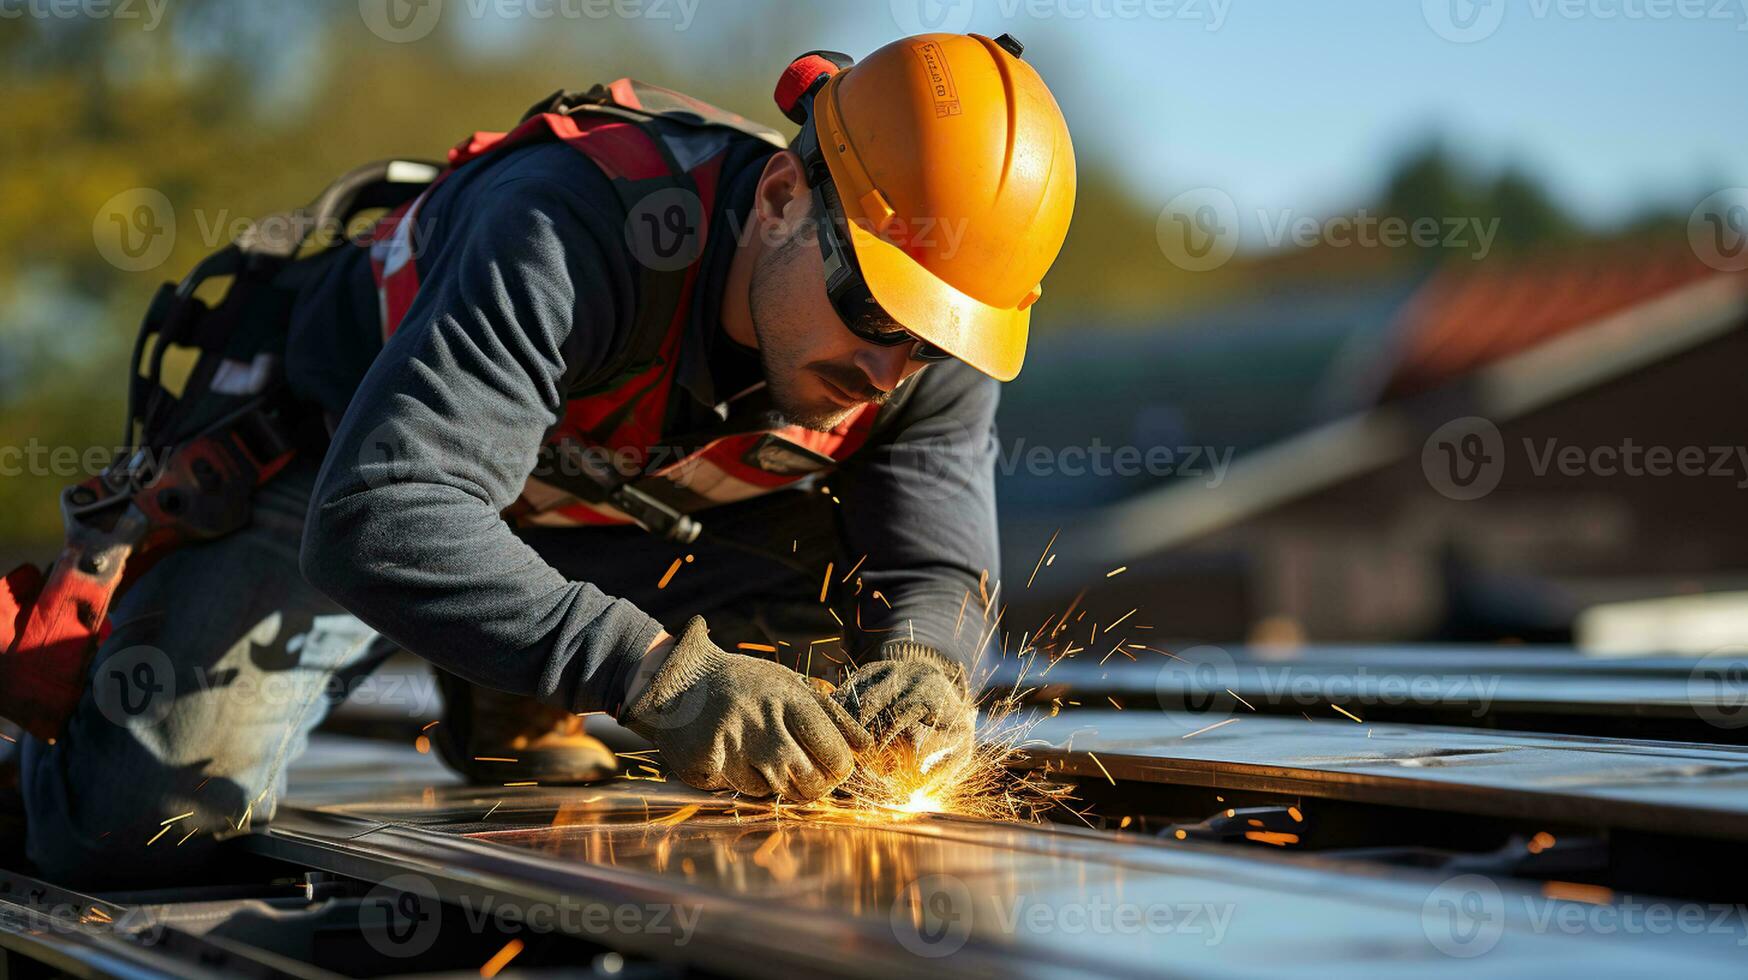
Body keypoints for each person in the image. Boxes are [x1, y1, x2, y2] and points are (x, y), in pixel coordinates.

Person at [13, 31, 1076, 885]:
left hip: (603, 503)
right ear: (782, 198)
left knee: (848, 700)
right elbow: (383, 513)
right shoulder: (576, 227)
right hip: (347, 463)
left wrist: (930, 666)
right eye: (874, 310)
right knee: (139, 827)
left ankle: (505, 676)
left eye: (933, 339)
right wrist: (657, 671)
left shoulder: (940, 325)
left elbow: (933, 572)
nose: (896, 363)